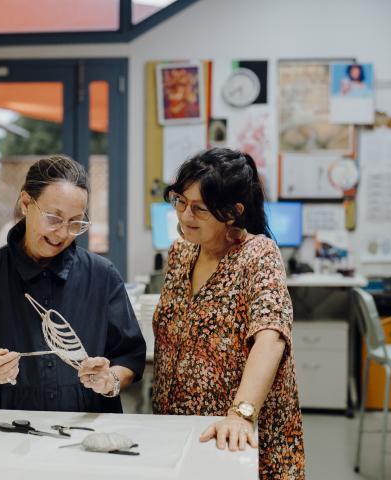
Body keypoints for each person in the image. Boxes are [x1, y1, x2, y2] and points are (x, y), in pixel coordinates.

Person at [0, 155, 146, 413]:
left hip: (89, 429)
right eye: (53, 218)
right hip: (12, 429)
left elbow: (130, 356)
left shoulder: (102, 276)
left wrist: (110, 379)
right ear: (26, 203)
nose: (62, 233)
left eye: (75, 223)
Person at [152, 148, 305, 479]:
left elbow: (271, 334)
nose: (184, 215)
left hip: (236, 433)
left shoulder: (258, 254)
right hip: (180, 429)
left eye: (199, 209)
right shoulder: (180, 252)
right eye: (180, 201)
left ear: (233, 212)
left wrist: (242, 413)